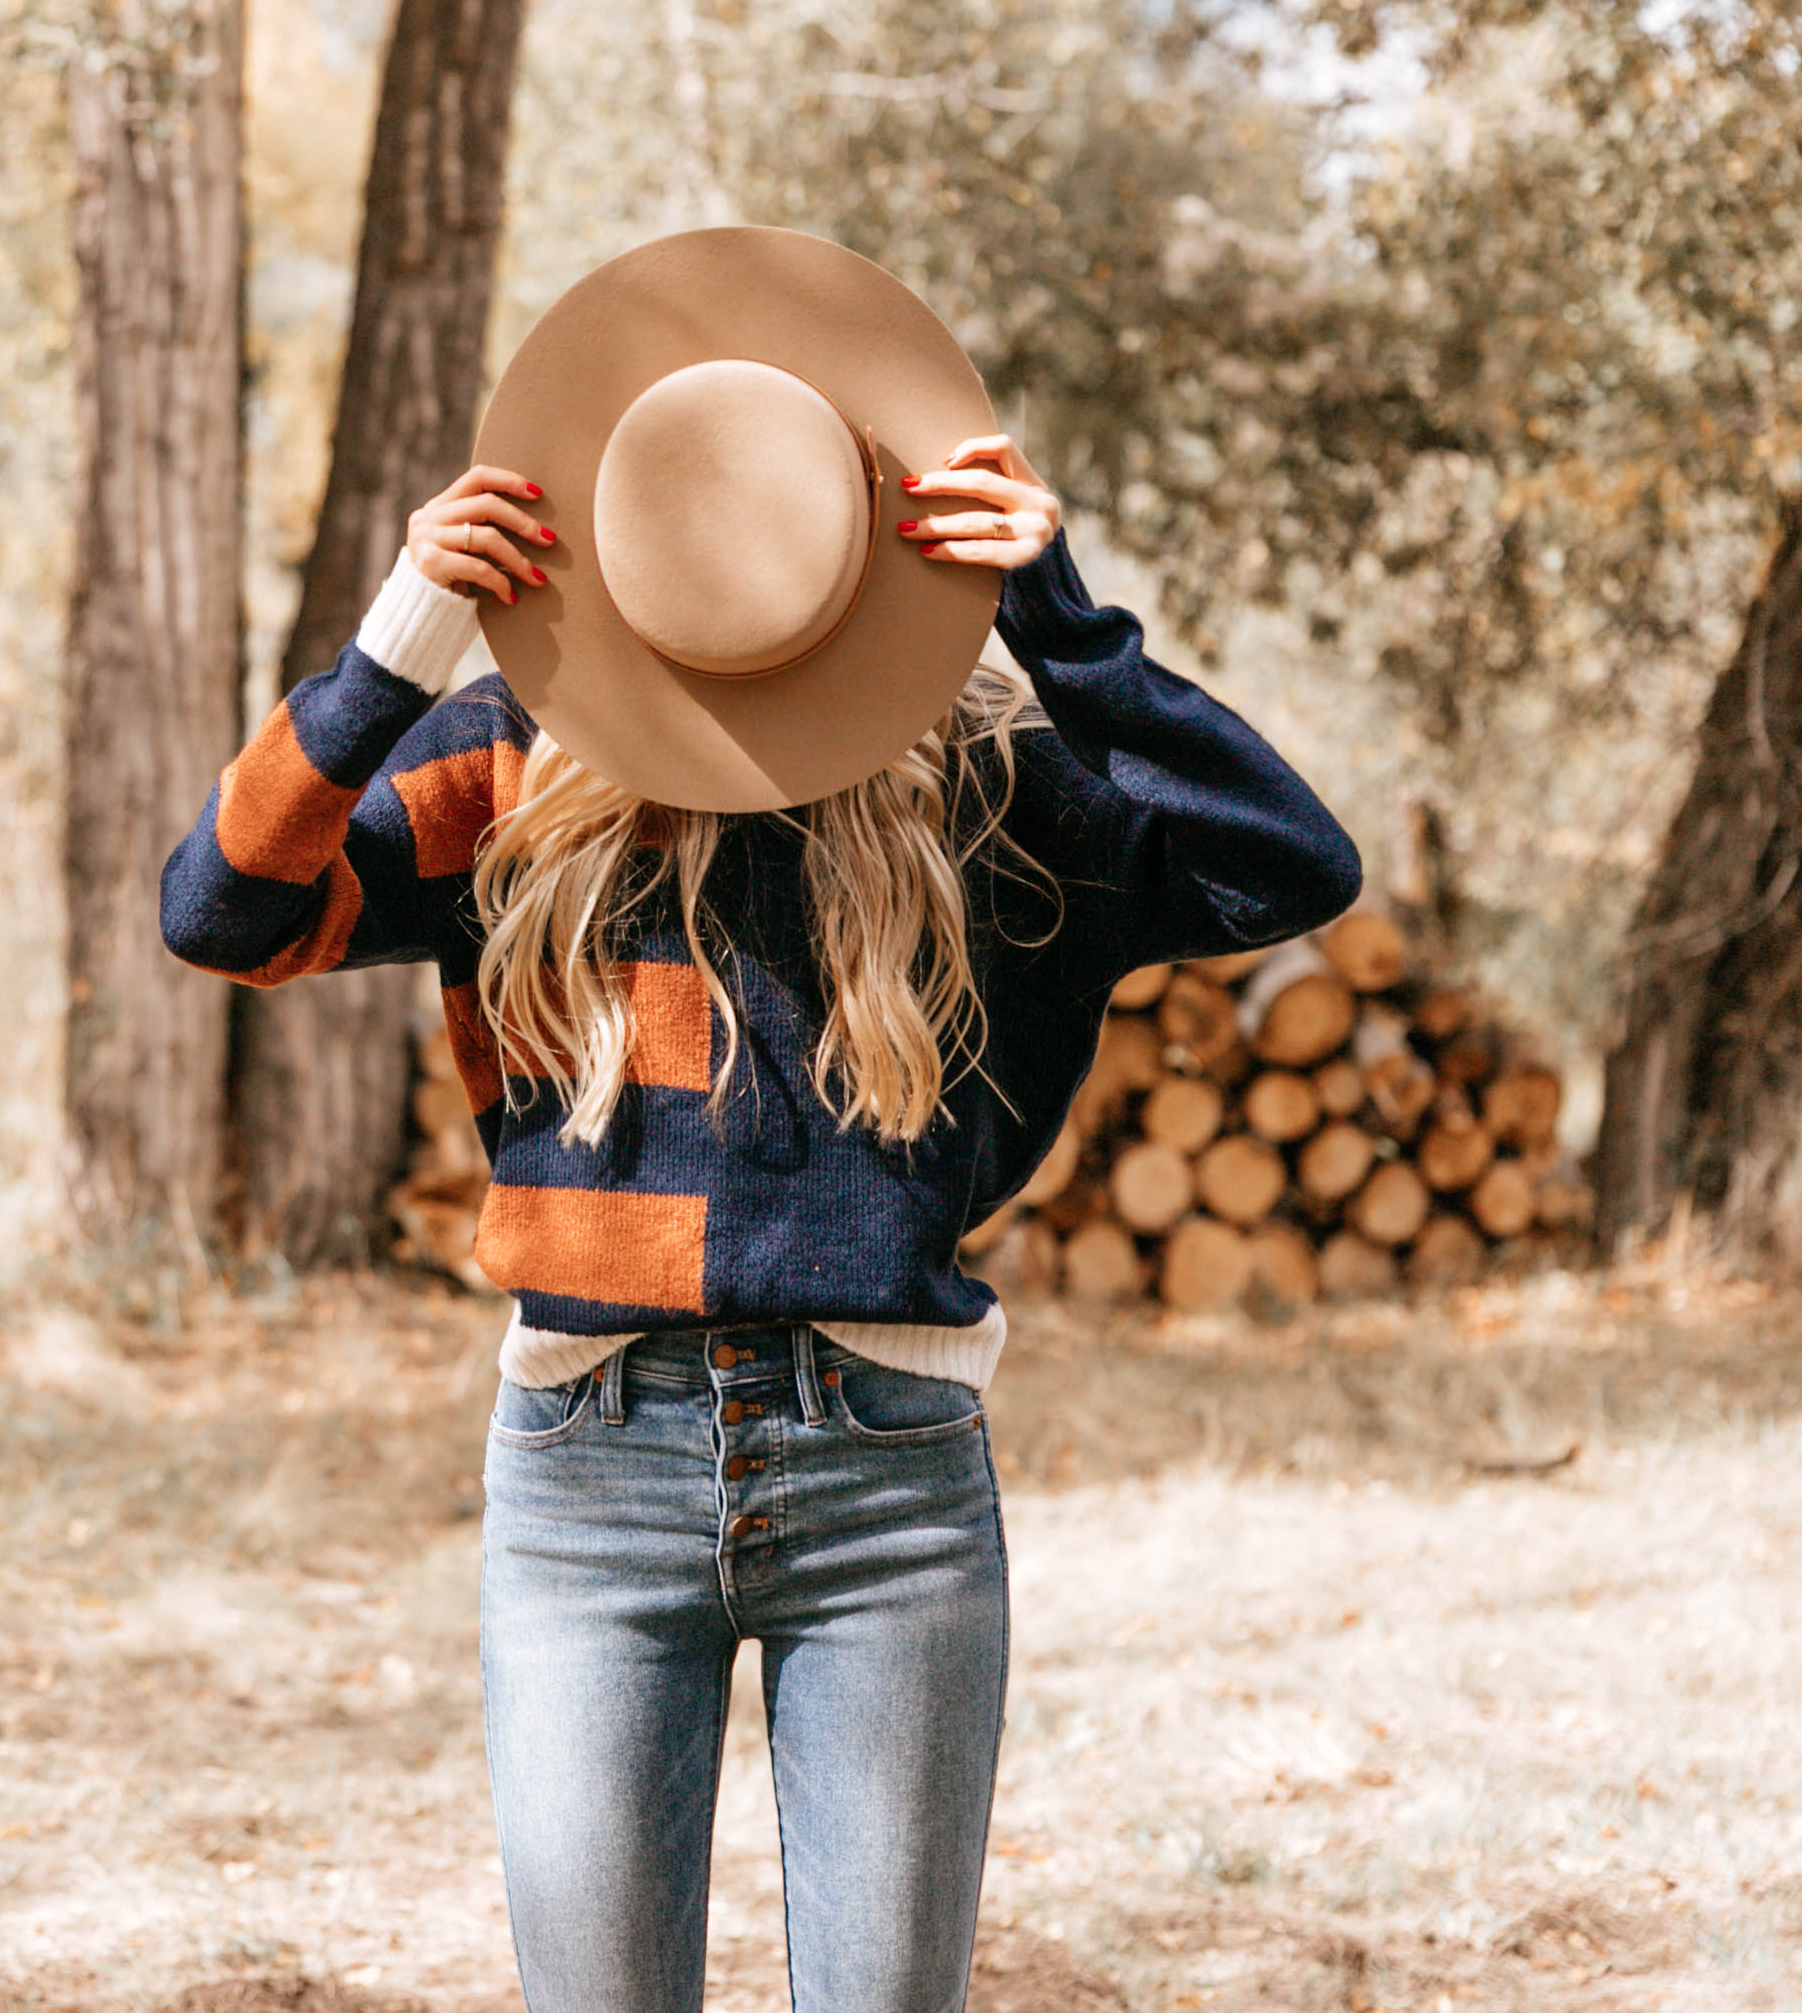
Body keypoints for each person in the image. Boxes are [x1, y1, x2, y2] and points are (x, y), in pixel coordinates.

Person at [157, 228, 1362, 2013]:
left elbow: (1285, 868)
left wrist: (1061, 616)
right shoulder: (505, 765)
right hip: (585, 1471)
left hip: (889, 1474)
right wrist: (397, 643)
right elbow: (224, 911)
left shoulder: (986, 778)